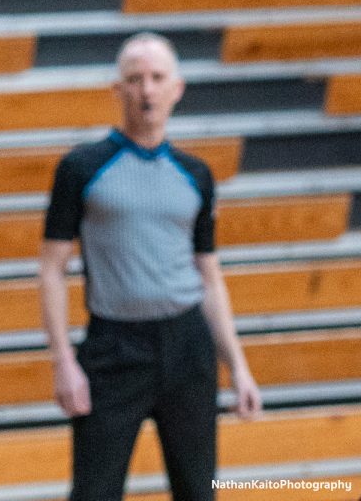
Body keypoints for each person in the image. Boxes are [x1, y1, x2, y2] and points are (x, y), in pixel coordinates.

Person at [37, 32, 264, 501]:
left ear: (176, 88)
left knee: (199, 491)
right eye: (135, 79)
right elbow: (51, 269)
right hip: (113, 348)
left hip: (188, 348)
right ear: (118, 89)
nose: (147, 90)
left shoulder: (196, 174)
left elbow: (208, 274)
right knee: (94, 492)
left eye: (157, 78)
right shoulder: (81, 168)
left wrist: (238, 367)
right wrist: (63, 361)